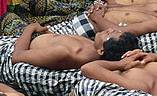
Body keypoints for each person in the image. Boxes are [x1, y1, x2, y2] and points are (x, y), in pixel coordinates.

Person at [10, 22, 139, 70]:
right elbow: (57, 38)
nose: (109, 29)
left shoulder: (65, 53)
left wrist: (30, 28)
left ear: (101, 50)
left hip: (17, 45)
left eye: (110, 34)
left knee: (7, 19)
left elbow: (17, 56)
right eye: (116, 30)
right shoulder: (91, 45)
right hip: (33, 36)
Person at [81, 48, 157, 95]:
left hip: (99, 73)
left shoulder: (144, 86)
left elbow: (88, 68)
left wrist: (120, 64)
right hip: (113, 64)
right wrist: (154, 56)